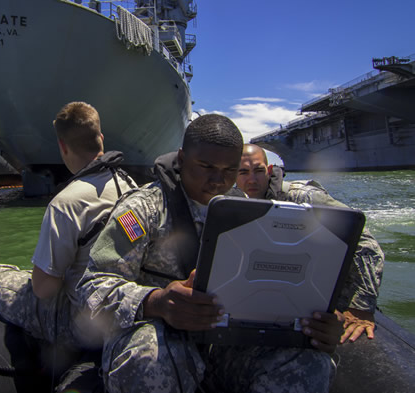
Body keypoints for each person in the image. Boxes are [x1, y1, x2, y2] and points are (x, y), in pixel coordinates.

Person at [77, 114, 344, 393]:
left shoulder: (249, 212)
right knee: (150, 356)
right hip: (161, 340)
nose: (218, 180)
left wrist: (311, 320)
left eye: (230, 170)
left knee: (310, 361)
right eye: (205, 167)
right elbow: (89, 288)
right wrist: (157, 301)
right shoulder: (142, 211)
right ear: (182, 158)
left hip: (225, 346)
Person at [0, 102, 136, 369]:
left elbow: (44, 289)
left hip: (82, 323)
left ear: (62, 147)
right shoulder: (130, 186)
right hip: (125, 309)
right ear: (101, 139)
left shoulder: (67, 203)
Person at [236, 144, 384, 343]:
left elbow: (364, 243)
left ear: (269, 170)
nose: (252, 179)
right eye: (243, 172)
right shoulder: (234, 205)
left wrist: (361, 308)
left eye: (259, 171)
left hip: (325, 287)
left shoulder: (303, 197)